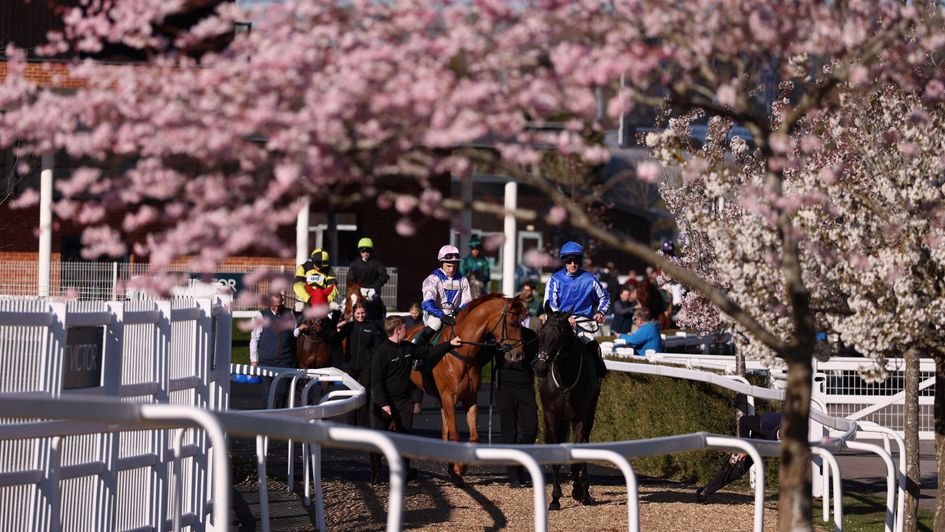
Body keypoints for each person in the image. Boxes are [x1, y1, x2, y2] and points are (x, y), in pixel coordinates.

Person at [371, 315, 463, 482]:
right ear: (397, 331)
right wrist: (383, 403)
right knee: (379, 437)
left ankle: (404, 472)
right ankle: (376, 471)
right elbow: (376, 382)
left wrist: (450, 344)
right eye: (405, 328)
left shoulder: (408, 347)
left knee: (405, 437)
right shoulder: (381, 352)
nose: (408, 330)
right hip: (384, 402)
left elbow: (428, 353)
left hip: (404, 401)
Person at [543, 241, 610, 381]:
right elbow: (549, 303)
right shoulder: (554, 279)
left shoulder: (590, 279)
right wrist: (564, 318)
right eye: (569, 260)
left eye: (576, 260)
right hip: (560, 321)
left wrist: (601, 312)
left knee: (593, 346)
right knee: (547, 345)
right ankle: (541, 374)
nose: (573, 264)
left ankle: (598, 378)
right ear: (564, 261)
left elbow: (605, 297)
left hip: (584, 322)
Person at [697, 413, 782, 503]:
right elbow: (744, 421)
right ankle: (705, 491)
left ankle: (706, 490)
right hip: (760, 436)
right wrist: (744, 448)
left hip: (766, 443)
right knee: (738, 466)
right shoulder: (769, 422)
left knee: (739, 469)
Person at [496, 327, 539, 487]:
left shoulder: (530, 334)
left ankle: (519, 462)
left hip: (526, 387)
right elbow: (482, 358)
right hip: (505, 387)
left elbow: (538, 357)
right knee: (509, 433)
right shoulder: (498, 335)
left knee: (530, 430)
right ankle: (513, 474)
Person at [249, 293, 304, 408]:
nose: (276, 308)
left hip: (284, 361)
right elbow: (254, 339)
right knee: (267, 394)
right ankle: (266, 419)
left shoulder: (290, 314)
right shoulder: (261, 315)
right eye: (274, 305)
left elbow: (292, 334)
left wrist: (299, 330)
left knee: (282, 393)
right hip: (266, 361)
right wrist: (254, 360)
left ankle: (280, 418)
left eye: (279, 305)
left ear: (282, 301)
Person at [415, 244, 472, 349]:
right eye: (448, 266)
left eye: (454, 266)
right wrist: (442, 315)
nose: (452, 269)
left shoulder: (463, 279)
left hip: (455, 313)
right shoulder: (432, 279)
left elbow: (467, 301)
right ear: (441, 263)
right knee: (436, 324)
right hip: (435, 313)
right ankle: (416, 352)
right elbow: (427, 303)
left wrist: (460, 310)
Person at [337, 302, 380, 428]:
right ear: (353, 314)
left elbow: (378, 346)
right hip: (350, 365)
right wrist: (337, 326)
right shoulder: (348, 326)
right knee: (350, 395)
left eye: (363, 313)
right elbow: (335, 340)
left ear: (366, 313)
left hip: (366, 366)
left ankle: (364, 427)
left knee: (363, 395)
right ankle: (351, 426)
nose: (360, 316)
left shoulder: (372, 327)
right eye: (358, 313)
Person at [346, 237, 389, 323]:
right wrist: (356, 288)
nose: (365, 253)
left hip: (372, 290)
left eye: (368, 251)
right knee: (346, 303)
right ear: (360, 252)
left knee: (378, 302)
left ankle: (381, 321)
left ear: (371, 252)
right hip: (358, 290)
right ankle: (346, 319)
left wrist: (374, 287)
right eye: (363, 251)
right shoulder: (354, 264)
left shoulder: (377, 263)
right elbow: (350, 278)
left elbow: (384, 276)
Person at [293, 247, 340, 315]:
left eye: (322, 266)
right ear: (312, 260)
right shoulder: (303, 267)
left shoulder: (329, 270)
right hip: (306, 299)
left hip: (323, 299)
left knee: (336, 307)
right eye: (317, 264)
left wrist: (326, 299)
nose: (319, 267)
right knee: (299, 307)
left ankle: (334, 325)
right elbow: (297, 285)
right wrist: (308, 298)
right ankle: (297, 325)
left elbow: (334, 288)